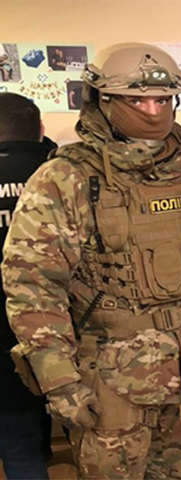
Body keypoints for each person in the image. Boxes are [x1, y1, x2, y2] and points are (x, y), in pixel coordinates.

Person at [1, 43, 181, 479]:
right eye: (137, 100)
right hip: (110, 383)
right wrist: (59, 379)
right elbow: (33, 285)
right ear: (103, 101)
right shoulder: (66, 179)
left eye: (163, 99)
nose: (152, 111)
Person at [0, 93, 54, 480]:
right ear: (40, 129)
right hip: (56, 333)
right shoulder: (62, 176)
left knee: (17, 442)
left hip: (4, 337)